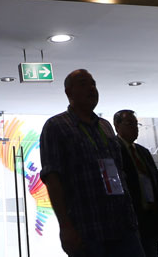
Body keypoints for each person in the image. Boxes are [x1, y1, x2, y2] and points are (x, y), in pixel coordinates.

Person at [40, 69, 144, 257]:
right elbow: (52, 178)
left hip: (122, 225)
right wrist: (65, 226)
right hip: (87, 228)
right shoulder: (56, 126)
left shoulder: (105, 126)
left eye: (93, 84)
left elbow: (119, 172)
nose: (91, 88)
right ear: (69, 93)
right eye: (83, 84)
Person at [113, 109, 158, 257]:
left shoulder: (143, 152)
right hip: (130, 222)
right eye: (129, 123)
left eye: (136, 124)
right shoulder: (113, 150)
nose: (135, 128)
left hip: (150, 221)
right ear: (117, 126)